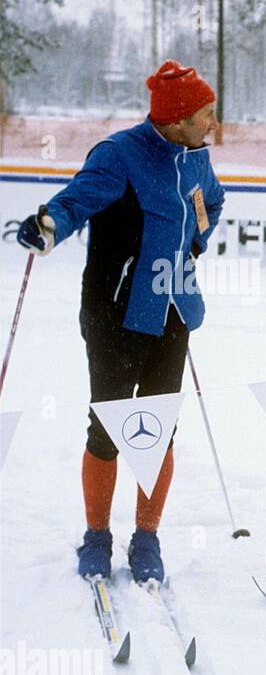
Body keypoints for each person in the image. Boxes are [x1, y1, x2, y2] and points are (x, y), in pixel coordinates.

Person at [15, 61, 223, 584]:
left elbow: (210, 203)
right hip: (116, 314)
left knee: (158, 431)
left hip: (173, 309)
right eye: (206, 115)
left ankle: (147, 537)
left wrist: (195, 239)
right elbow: (76, 201)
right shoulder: (119, 154)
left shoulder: (196, 157)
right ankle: (96, 536)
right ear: (177, 120)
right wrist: (47, 224)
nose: (213, 125)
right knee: (108, 429)